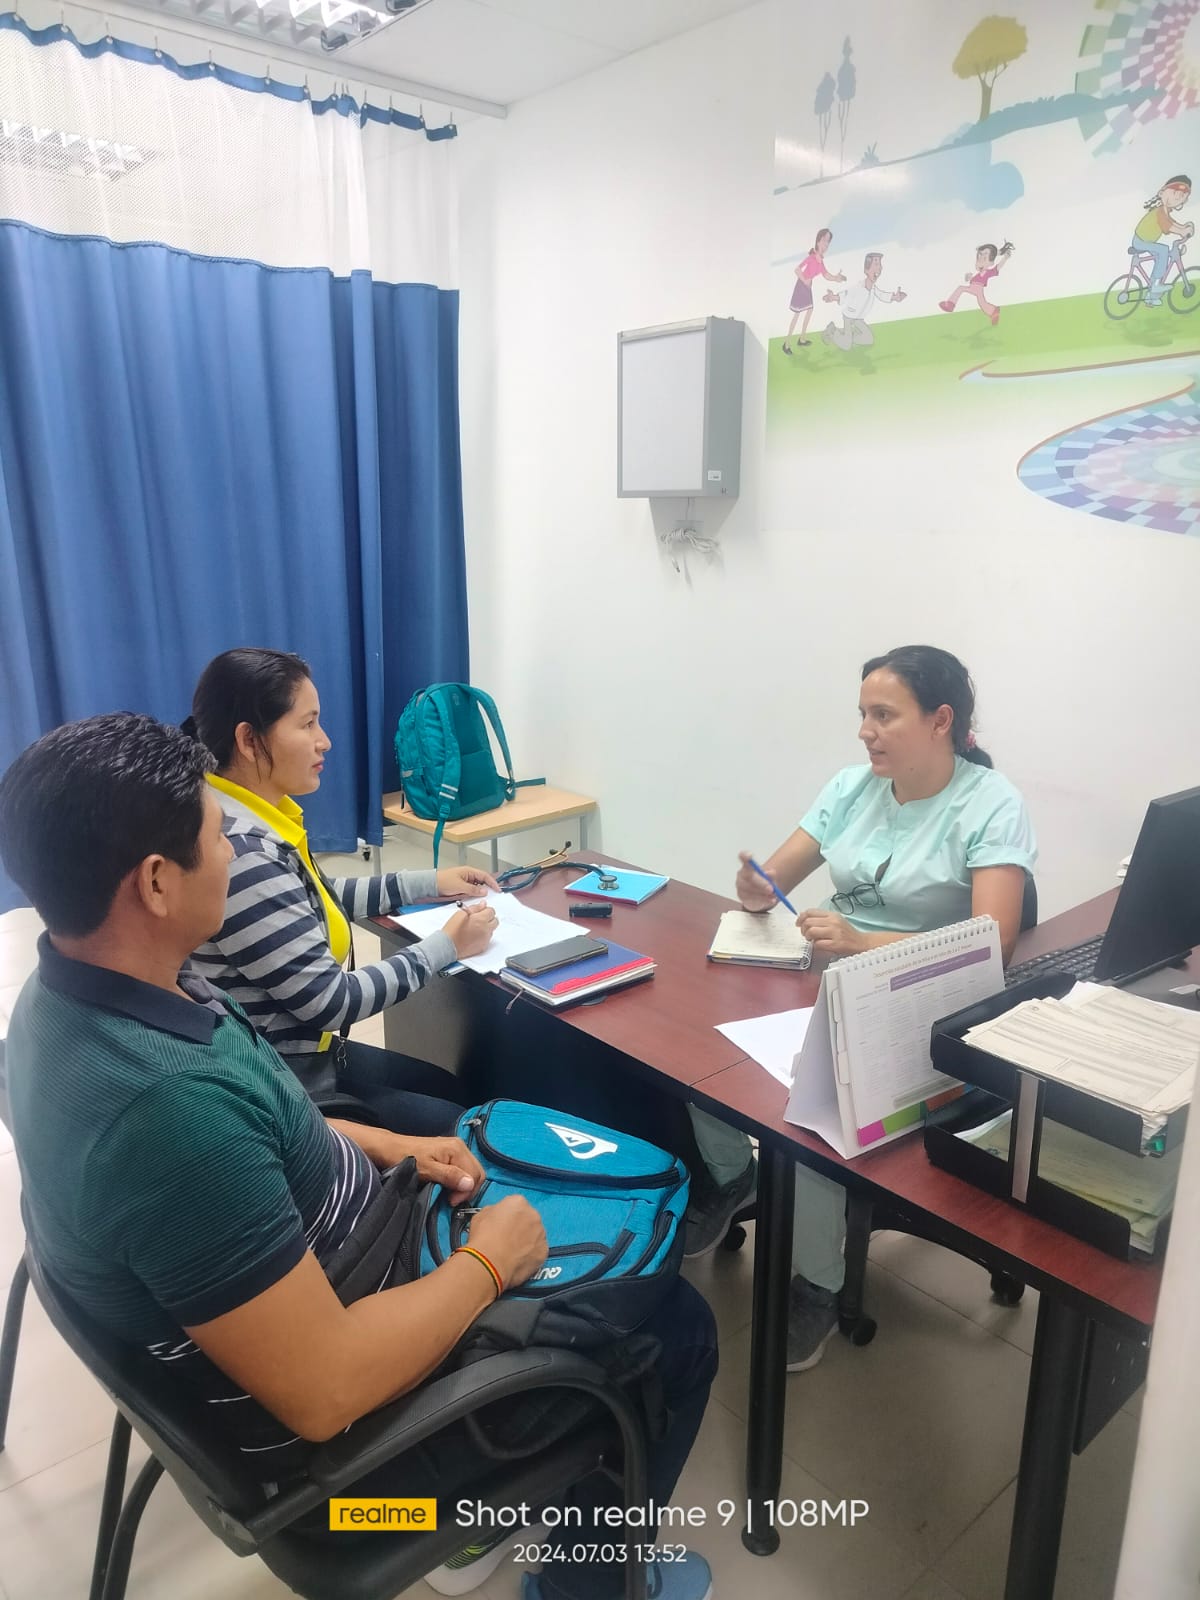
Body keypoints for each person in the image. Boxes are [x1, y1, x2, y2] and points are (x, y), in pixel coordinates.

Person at [0, 713, 718, 1600]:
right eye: (219, 839)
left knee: (521, 1157)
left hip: (356, 1262)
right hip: (349, 1491)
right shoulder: (164, 1114)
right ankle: (582, 1587)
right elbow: (326, 1390)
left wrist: (389, 1143)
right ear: (154, 882)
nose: (234, 856)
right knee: (676, 1329)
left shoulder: (73, 994)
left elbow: (264, 1119)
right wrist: (489, 1265)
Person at [687, 646, 1036, 1371]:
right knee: (693, 1045)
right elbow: (775, 878)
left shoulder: (991, 803)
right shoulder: (853, 787)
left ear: (941, 721)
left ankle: (818, 1283)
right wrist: (756, 886)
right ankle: (731, 1177)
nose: (865, 731)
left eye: (883, 715)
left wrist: (862, 940)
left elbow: (994, 939)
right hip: (826, 976)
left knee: (815, 1110)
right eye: (862, 714)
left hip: (921, 1000)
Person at [183, 647, 498, 1130]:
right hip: (283, 1086)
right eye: (307, 724)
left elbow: (313, 898)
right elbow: (333, 1002)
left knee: (449, 1087)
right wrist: (447, 946)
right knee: (458, 1121)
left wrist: (428, 883)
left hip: (297, 1055)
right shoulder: (242, 851)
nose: (324, 741)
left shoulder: (242, 816)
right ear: (248, 740)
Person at [821, 251, 907, 350]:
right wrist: (834, 297)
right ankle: (832, 331)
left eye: (880, 264)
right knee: (846, 346)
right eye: (876, 264)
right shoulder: (859, 287)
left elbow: (882, 295)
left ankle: (846, 336)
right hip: (849, 317)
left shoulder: (873, 288)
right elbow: (846, 294)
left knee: (868, 339)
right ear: (866, 270)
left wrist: (894, 297)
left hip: (858, 318)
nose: (879, 267)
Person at [1130, 175, 1192, 307]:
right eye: (1175, 193)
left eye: (1182, 197)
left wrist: (1183, 227)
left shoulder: (1165, 211)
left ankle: (1150, 297)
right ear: (1162, 193)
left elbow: (1171, 222)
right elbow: (1167, 226)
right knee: (1163, 250)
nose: (1178, 198)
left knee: (1160, 257)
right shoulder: (1159, 211)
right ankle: (1156, 285)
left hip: (1146, 240)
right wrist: (1182, 231)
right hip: (1141, 241)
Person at [782, 228, 845, 353]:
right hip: (801, 287)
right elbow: (797, 269)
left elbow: (826, 275)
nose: (826, 244)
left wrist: (836, 278)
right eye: (824, 240)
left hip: (807, 287)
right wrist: (805, 280)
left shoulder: (820, 261)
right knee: (797, 314)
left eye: (828, 241)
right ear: (818, 241)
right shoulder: (811, 258)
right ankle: (786, 344)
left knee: (810, 310)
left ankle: (802, 339)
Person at [938, 241, 1015, 326]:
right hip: (974, 287)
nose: (980, 260)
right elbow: (970, 280)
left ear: (991, 262)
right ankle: (994, 311)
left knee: (969, 294)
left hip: (978, 288)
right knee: (982, 303)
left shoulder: (987, 272)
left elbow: (998, 267)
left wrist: (1005, 258)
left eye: (984, 258)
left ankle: (950, 304)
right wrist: (968, 278)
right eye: (979, 256)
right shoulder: (978, 273)